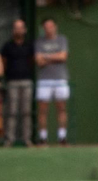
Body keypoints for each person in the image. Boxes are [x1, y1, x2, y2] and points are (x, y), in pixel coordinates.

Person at [34, 18, 69, 146]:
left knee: (61, 108)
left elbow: (63, 56)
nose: (48, 29)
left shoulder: (62, 40)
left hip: (60, 79)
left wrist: (46, 56)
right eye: (46, 27)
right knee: (43, 110)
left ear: (55, 27)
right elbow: (38, 61)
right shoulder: (39, 42)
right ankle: (43, 138)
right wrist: (55, 56)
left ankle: (62, 137)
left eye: (51, 26)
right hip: (44, 80)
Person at [0, 20, 32, 147]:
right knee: (12, 111)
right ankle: (9, 139)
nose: (18, 30)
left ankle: (27, 139)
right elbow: (3, 63)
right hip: (12, 81)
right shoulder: (7, 46)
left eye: (20, 28)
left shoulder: (29, 45)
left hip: (26, 81)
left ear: (24, 30)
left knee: (26, 111)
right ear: (13, 30)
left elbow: (31, 61)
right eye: (16, 28)